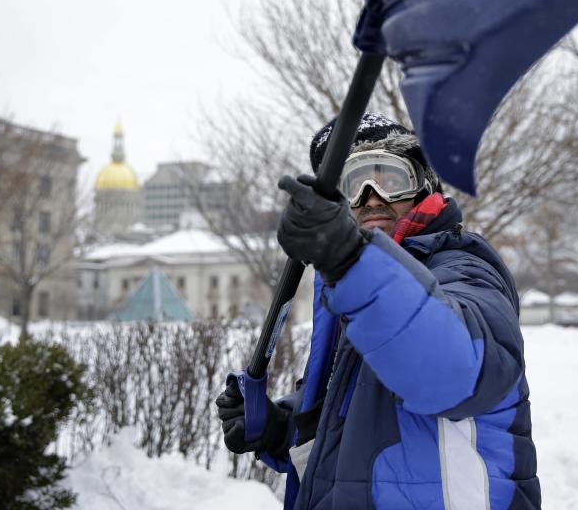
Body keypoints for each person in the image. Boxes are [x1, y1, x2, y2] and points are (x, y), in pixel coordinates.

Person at [216, 113, 540, 509]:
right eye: (355, 184)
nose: (371, 197)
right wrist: (281, 427)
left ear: (425, 187)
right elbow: (353, 419)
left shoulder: (463, 268)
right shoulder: (356, 291)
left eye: (390, 179)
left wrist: (351, 260)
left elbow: (453, 371)